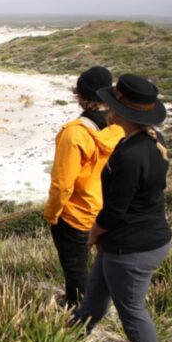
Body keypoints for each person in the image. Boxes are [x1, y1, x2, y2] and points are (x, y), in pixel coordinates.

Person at [73, 73, 172, 342]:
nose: (107, 109)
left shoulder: (131, 155)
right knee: (94, 297)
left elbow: (115, 210)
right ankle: (69, 337)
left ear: (119, 112)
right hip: (135, 239)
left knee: (131, 310)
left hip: (132, 247)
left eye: (111, 105)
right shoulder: (154, 141)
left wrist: (93, 234)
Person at [44, 66, 124, 307]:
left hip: (77, 214)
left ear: (80, 95)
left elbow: (63, 183)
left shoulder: (74, 134)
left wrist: (52, 214)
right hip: (109, 209)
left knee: (75, 266)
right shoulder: (119, 128)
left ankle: (79, 311)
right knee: (105, 262)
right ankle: (103, 302)